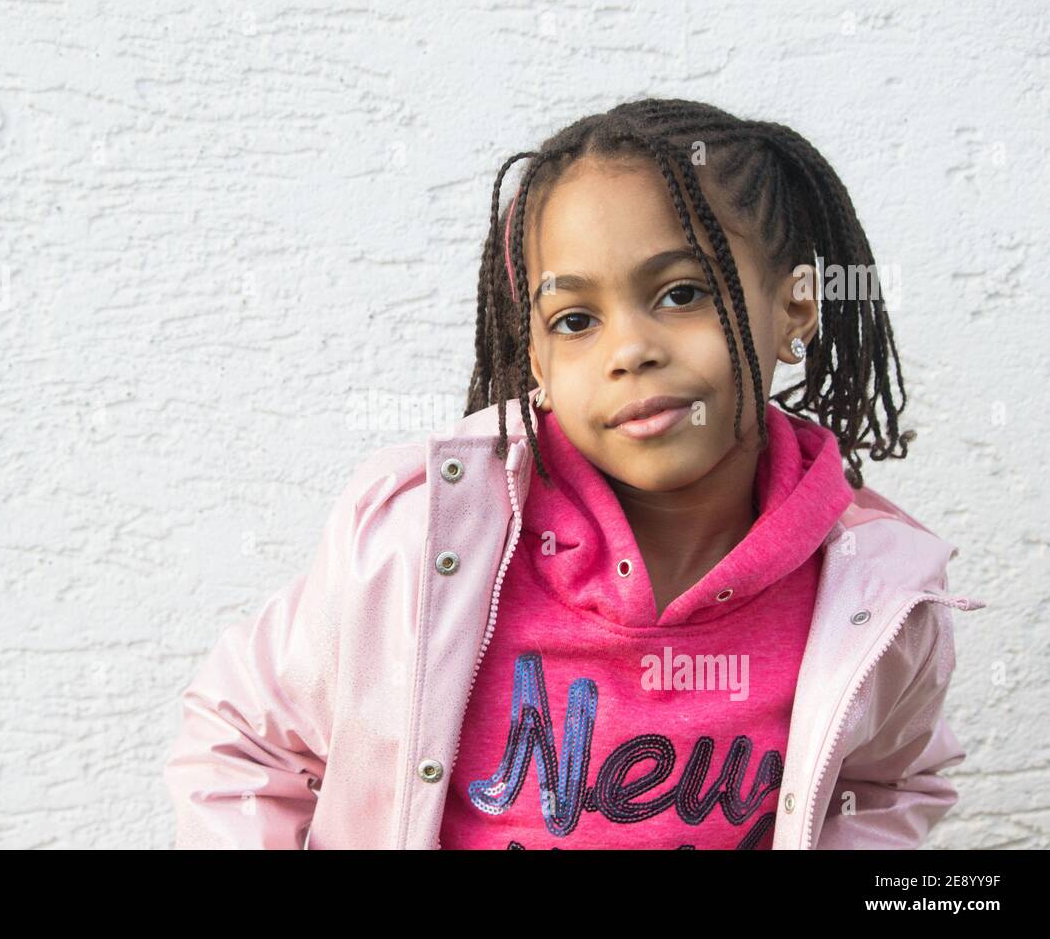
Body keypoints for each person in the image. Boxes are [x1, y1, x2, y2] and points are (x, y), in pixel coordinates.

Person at [163, 98, 987, 849]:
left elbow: (885, 784)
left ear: (796, 306)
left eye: (682, 292)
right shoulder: (418, 546)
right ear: (538, 361)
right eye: (576, 319)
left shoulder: (876, 594)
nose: (629, 350)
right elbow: (242, 740)